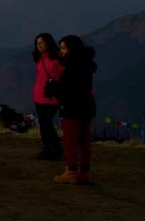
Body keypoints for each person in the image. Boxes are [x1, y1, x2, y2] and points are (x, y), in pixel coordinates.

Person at [50, 35, 97, 185]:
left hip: (72, 108)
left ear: (72, 49)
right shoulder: (86, 65)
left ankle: (70, 171)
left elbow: (68, 90)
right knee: (84, 141)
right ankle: (84, 172)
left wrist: (53, 87)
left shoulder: (71, 68)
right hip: (87, 107)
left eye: (64, 48)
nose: (61, 51)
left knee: (71, 140)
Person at [32, 33, 64, 161]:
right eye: (37, 43)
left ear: (48, 43)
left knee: (47, 123)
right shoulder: (38, 58)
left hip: (52, 96)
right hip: (39, 94)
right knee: (44, 123)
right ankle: (49, 149)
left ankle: (54, 149)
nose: (39, 45)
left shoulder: (58, 59)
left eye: (42, 43)